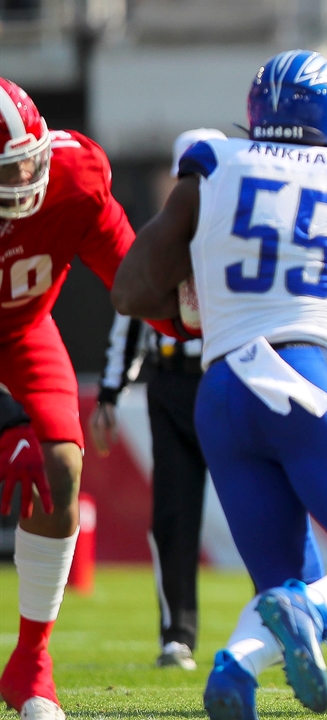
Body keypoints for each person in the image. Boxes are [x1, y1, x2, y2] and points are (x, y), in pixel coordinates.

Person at [110, 50, 327, 720]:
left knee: (283, 578)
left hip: (220, 391)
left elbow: (131, 290)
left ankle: (235, 668)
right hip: (303, 374)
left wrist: (195, 296)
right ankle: (309, 609)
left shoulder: (211, 167)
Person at [0, 77, 143, 720]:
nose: (27, 176)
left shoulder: (72, 174)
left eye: (26, 158)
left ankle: (31, 663)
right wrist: (6, 420)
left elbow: (133, 274)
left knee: (60, 462)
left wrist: (189, 315)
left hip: (23, 328)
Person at [91, 129, 229, 672]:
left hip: (226, 378)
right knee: (173, 514)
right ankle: (178, 634)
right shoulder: (160, 234)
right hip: (171, 386)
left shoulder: (236, 230)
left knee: (260, 503)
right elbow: (129, 315)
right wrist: (110, 391)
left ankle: (290, 614)